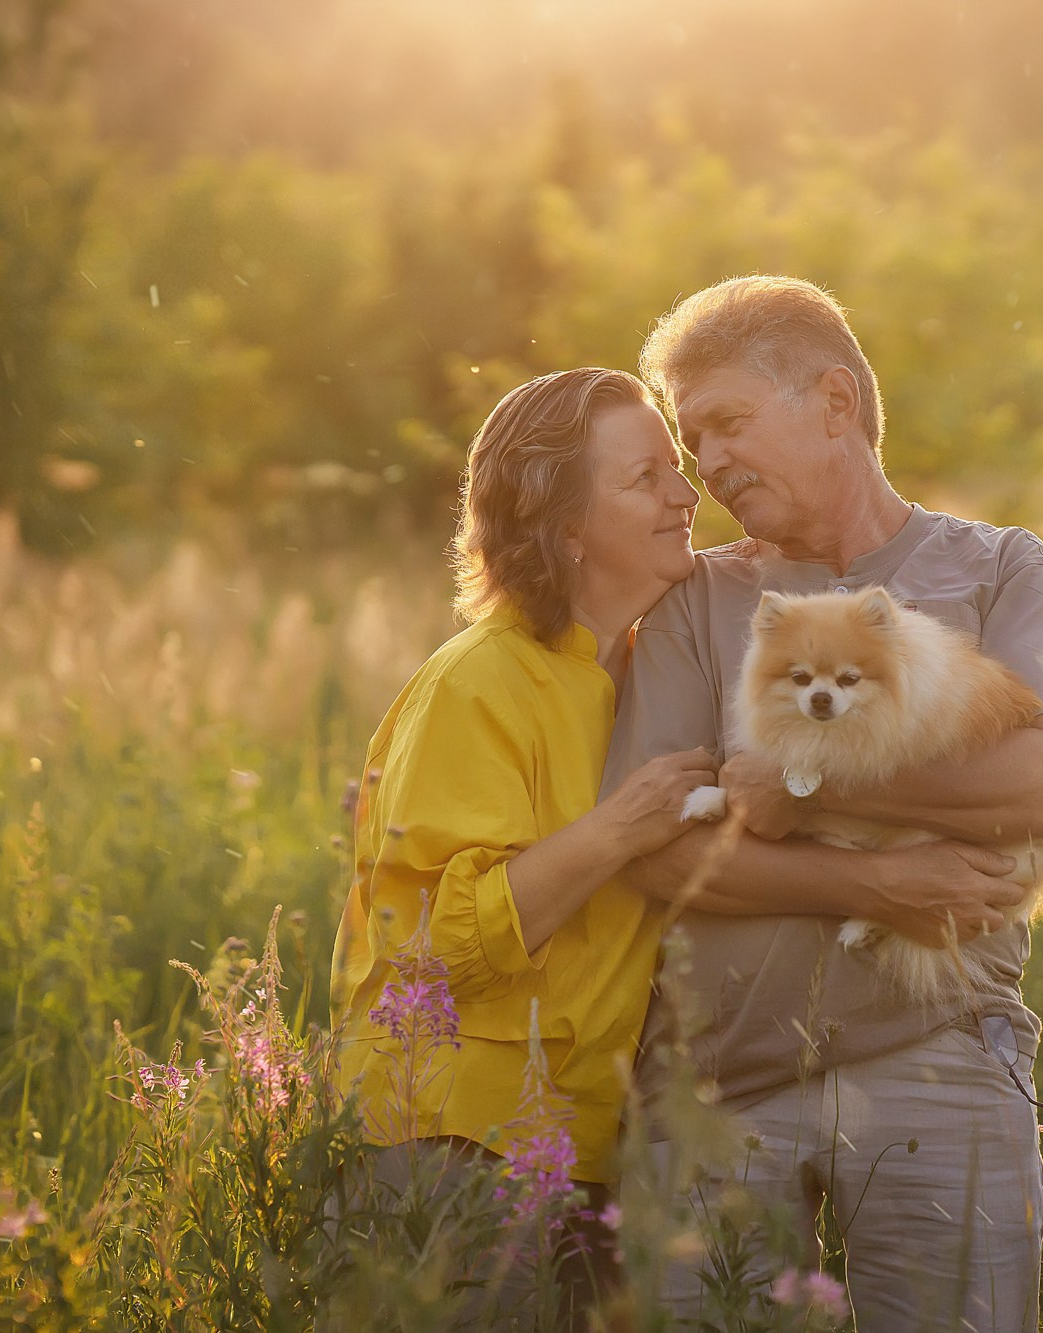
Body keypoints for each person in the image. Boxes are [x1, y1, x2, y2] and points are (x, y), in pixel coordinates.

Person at [603, 275, 1043, 1331]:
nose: (709, 465)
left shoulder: (994, 569)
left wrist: (818, 774)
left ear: (834, 402)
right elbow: (651, 848)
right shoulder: (693, 599)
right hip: (711, 1086)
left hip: (941, 1057)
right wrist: (879, 878)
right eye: (693, 441)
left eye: (729, 422)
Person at [328, 367, 712, 1309]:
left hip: (577, 1147)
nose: (686, 494)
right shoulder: (479, 681)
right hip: (451, 1149)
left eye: (679, 469)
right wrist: (622, 826)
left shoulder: (644, 670)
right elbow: (436, 952)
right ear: (567, 526)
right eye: (647, 478)